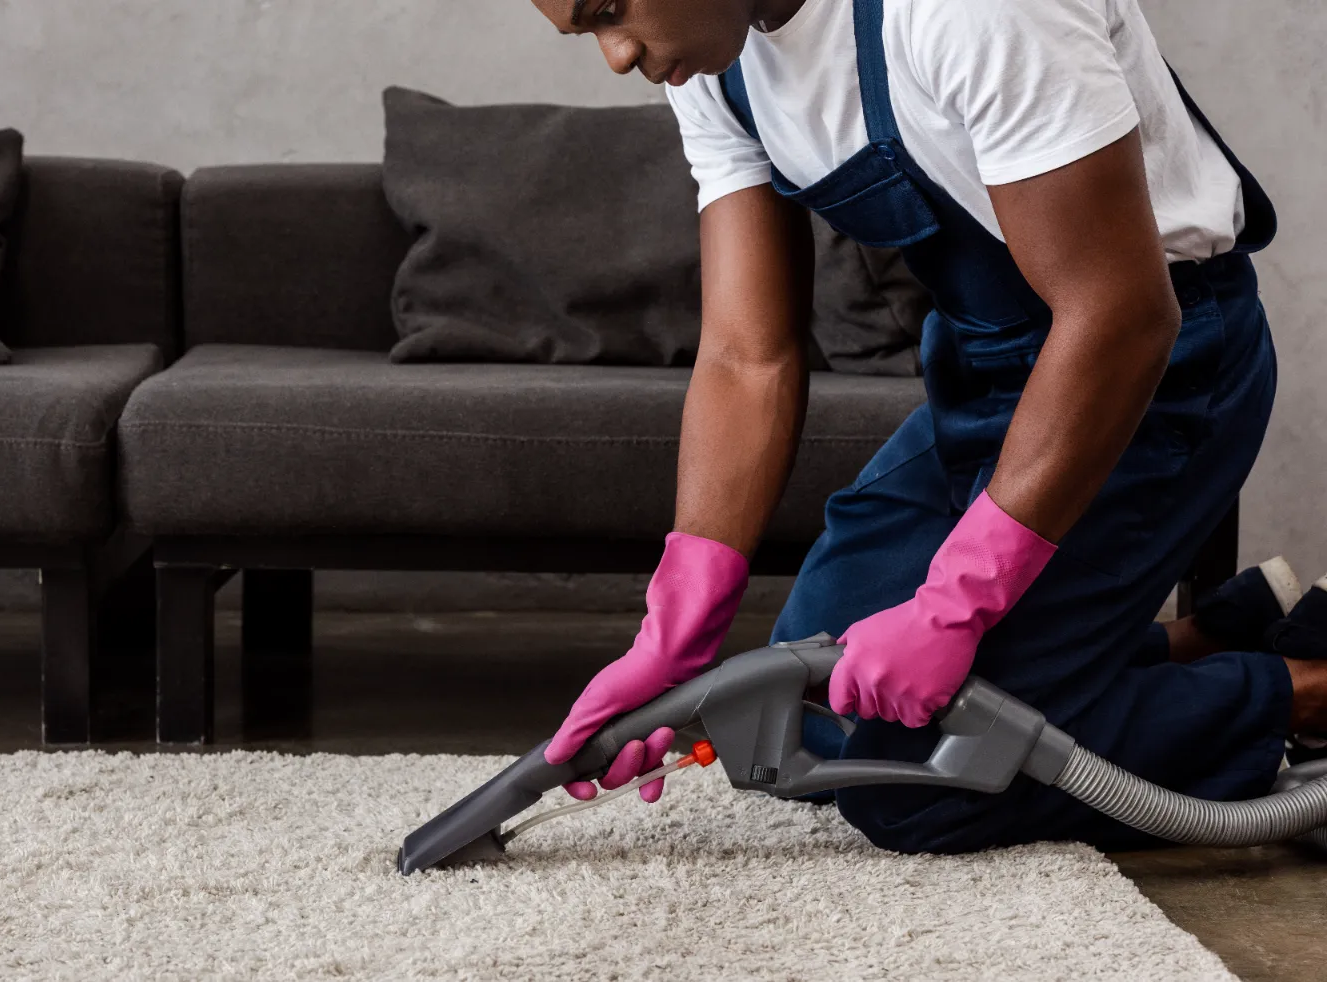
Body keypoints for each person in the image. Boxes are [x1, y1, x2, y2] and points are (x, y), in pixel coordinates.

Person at [530, 0, 1327, 854]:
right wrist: (674, 637)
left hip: (1155, 378)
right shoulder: (714, 60)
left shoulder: (968, 12)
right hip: (983, 378)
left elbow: (1120, 316)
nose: (617, 56)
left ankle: (1308, 688)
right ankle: (1214, 635)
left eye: (609, 11)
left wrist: (957, 604)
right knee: (811, 703)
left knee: (919, 787)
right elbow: (746, 356)